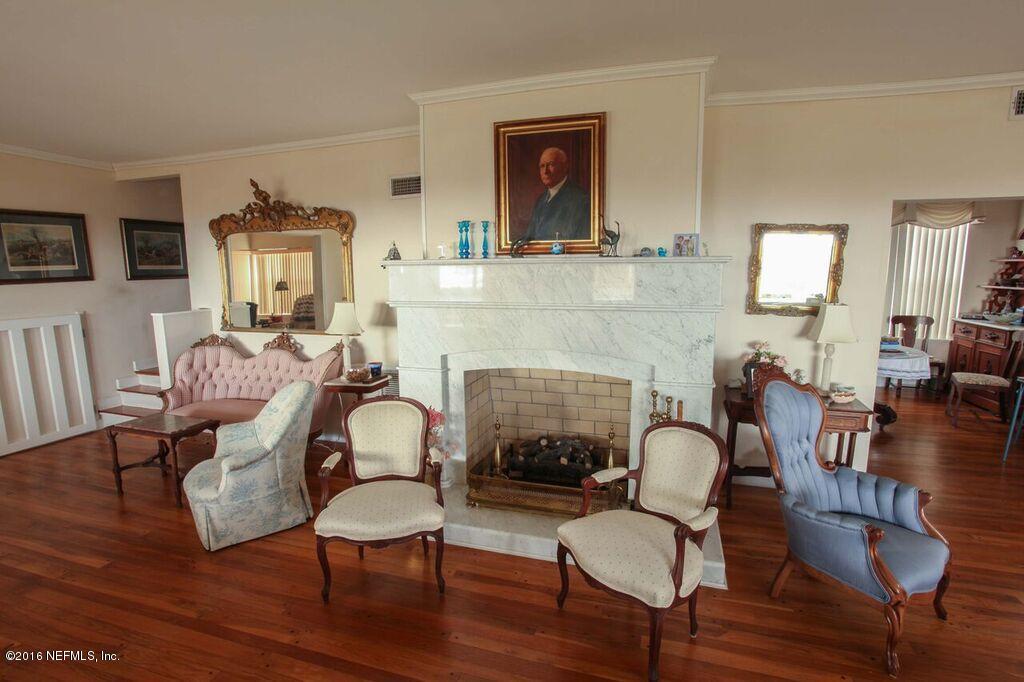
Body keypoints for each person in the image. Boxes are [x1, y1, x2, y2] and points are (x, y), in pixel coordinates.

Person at [522, 147, 590, 241]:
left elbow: (581, 241)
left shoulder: (580, 199)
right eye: (542, 166)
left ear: (565, 167)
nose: (545, 171)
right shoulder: (540, 200)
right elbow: (529, 237)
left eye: (551, 164)